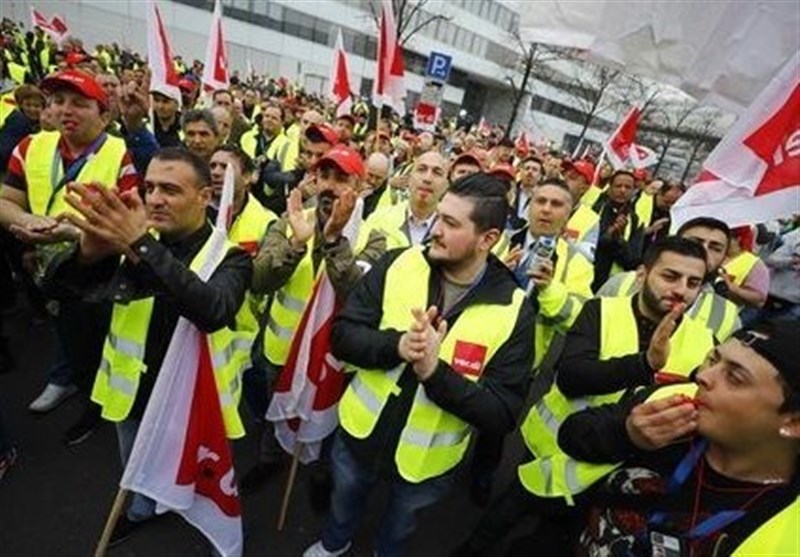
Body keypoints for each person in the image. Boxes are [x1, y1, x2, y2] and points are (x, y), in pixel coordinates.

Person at [304, 173, 535, 557]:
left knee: (399, 528)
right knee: (343, 502)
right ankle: (334, 543)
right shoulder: (398, 263)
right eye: (438, 217)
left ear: (488, 239)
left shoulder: (514, 310)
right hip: (359, 436)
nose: (435, 229)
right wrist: (396, 345)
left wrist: (434, 373)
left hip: (427, 464)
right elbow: (343, 336)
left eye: (450, 223)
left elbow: (502, 413)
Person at [44, 147, 253, 545]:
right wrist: (88, 255)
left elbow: (213, 310)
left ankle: (209, 529)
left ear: (204, 197)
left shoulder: (231, 257)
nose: (155, 198)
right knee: (136, 462)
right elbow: (61, 293)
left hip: (195, 402)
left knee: (199, 477)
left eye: (171, 190)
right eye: (150, 187)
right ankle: (141, 510)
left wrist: (141, 245)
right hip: (134, 392)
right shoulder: (133, 240)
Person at [458, 237, 715, 555]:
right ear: (642, 274)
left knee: (558, 538)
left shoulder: (705, 342)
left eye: (694, 282)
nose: (681, 290)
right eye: (670, 276)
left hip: (612, 471)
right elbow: (571, 378)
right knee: (507, 513)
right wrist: (644, 364)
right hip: (553, 449)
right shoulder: (600, 311)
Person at [559, 319, 800, 556]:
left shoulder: (785, 527)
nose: (703, 377)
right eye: (714, 360)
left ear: (793, 422)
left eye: (735, 378)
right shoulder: (675, 402)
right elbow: (572, 432)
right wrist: (626, 434)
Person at [0, 70, 142, 445]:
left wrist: (75, 233)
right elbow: (6, 201)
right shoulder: (30, 147)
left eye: (79, 103)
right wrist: (27, 222)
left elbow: (136, 226)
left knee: (102, 346)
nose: (66, 110)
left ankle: (100, 407)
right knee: (71, 341)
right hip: (48, 267)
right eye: (58, 101)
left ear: (104, 114)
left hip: (101, 268)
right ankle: (80, 388)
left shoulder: (120, 152)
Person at [239, 145, 386, 492]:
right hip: (282, 350)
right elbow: (259, 280)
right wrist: (296, 245)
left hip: (331, 358)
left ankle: (319, 471)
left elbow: (357, 292)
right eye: (324, 176)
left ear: (361, 186)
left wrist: (334, 240)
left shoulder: (374, 238)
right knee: (279, 410)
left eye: (342, 178)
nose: (330, 186)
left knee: (325, 420)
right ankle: (269, 459)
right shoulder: (290, 221)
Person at [470, 179, 593, 506]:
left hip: (523, 359)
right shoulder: (496, 240)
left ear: (569, 212)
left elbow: (578, 317)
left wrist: (550, 288)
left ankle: (482, 473)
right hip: (475, 342)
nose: (547, 209)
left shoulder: (576, 263)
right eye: (541, 201)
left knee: (495, 423)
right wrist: (492, 271)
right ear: (529, 204)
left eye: (556, 204)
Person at [598, 217, 742, 341]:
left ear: (724, 258)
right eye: (695, 242)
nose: (703, 251)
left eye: (715, 248)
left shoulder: (727, 315)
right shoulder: (621, 283)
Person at [358, 150, 449, 251]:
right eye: (421, 169)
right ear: (409, 179)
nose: (427, 178)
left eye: (437, 172)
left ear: (446, 185)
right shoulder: (378, 220)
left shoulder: (452, 233)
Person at [591, 170, 645, 291]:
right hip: (585, 274)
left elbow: (633, 261)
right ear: (610, 187)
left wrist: (618, 239)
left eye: (627, 187)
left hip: (610, 285)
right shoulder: (595, 208)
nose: (622, 190)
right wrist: (609, 235)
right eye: (618, 186)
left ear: (633, 191)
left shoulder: (636, 220)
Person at [562, 159, 600, 263]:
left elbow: (589, 257)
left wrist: (566, 240)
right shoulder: (543, 201)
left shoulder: (590, 219)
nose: (564, 180)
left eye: (572, 178)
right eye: (564, 175)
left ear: (584, 188)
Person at [361, 151, 393, 219]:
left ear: (385, 176)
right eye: (370, 175)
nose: (373, 181)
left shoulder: (388, 198)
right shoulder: (353, 183)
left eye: (378, 178)